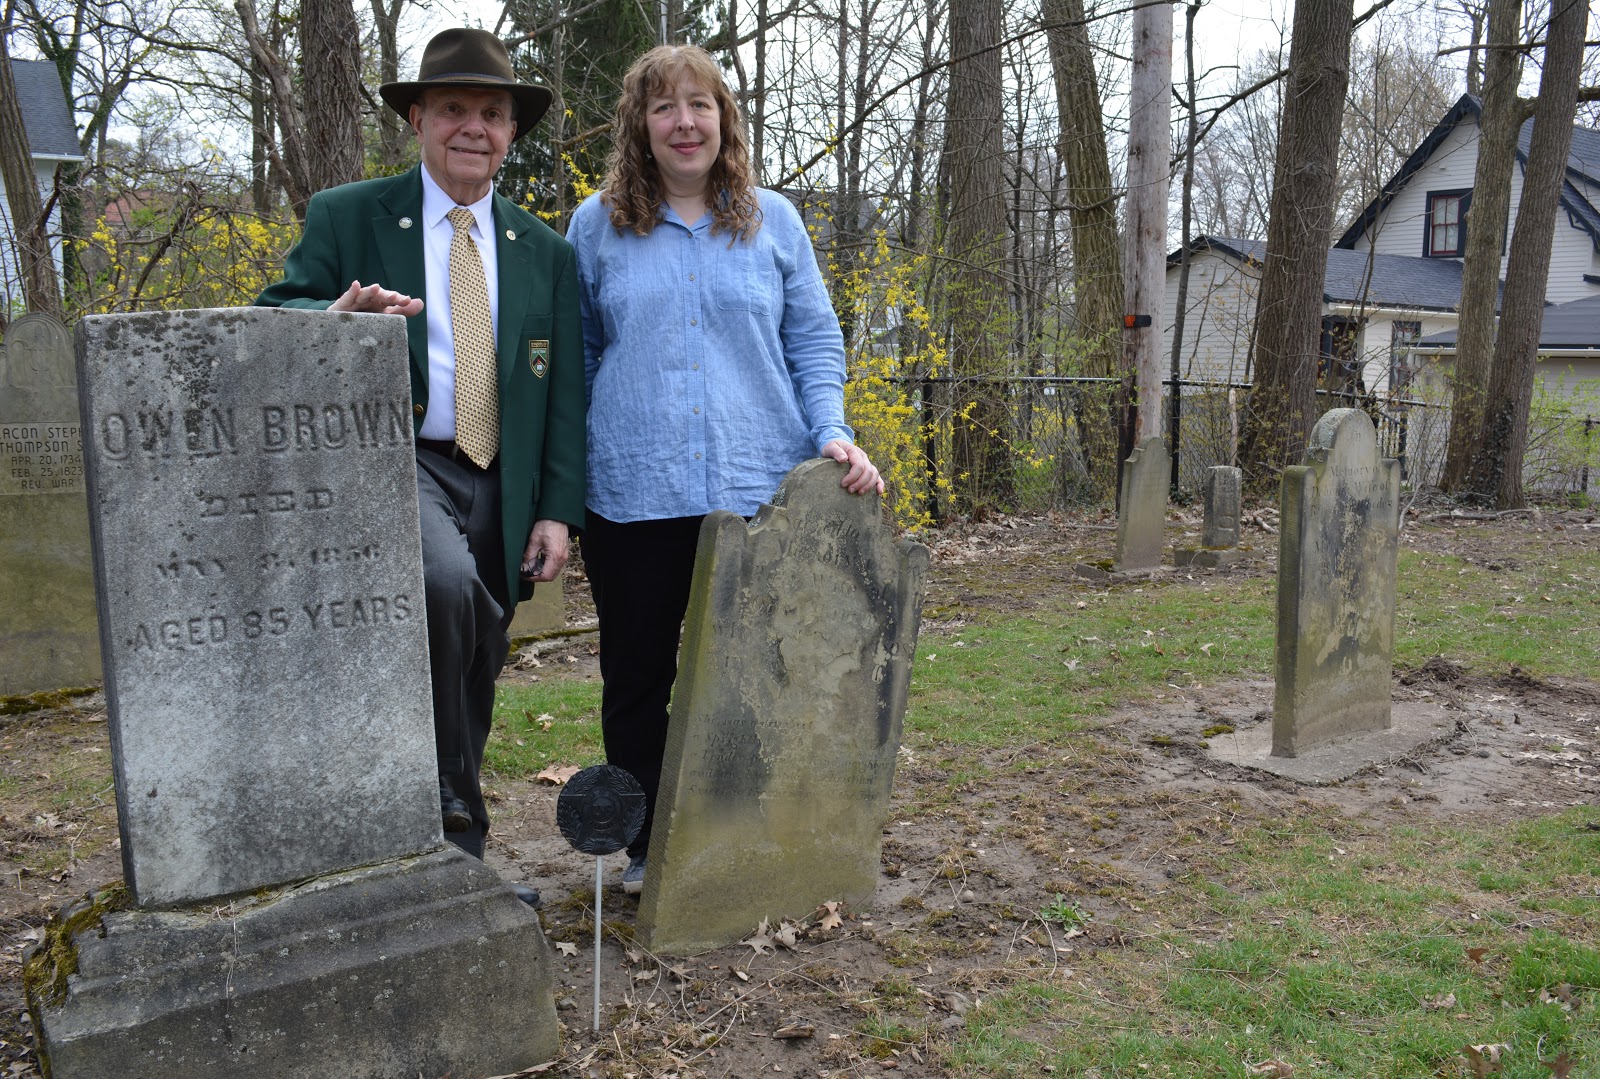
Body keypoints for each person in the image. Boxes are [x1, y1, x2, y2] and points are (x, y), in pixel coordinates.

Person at [256, 28, 585, 907]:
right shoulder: (349, 215)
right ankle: (449, 817)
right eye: (453, 110)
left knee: (479, 644)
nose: (473, 127)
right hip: (396, 461)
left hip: (502, 484)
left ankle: (452, 855)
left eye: (492, 113)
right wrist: (336, 316)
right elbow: (274, 314)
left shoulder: (545, 251)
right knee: (443, 587)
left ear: (511, 131)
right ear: (417, 120)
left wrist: (556, 510)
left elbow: (563, 392)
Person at [566, 44, 882, 895]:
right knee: (638, 679)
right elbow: (580, 355)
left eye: (700, 105)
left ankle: (749, 833)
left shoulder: (773, 220)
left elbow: (812, 338)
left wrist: (832, 432)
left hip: (757, 488)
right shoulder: (595, 226)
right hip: (633, 490)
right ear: (640, 124)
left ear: (724, 119)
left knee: (761, 672)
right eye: (664, 107)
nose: (684, 122)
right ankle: (646, 847)